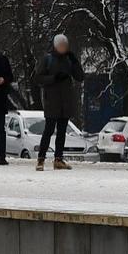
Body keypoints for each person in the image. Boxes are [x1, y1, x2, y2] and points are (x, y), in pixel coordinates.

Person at [33, 34, 85, 171]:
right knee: (48, 130)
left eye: (64, 46)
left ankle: (58, 159)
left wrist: (75, 62)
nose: (63, 48)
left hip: (65, 102)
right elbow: (38, 78)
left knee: (62, 132)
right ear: (55, 46)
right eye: (60, 46)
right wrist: (54, 78)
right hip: (52, 101)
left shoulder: (69, 59)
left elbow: (80, 77)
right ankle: (41, 159)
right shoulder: (47, 59)